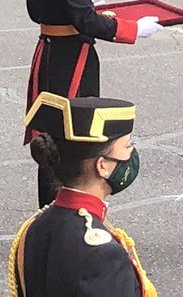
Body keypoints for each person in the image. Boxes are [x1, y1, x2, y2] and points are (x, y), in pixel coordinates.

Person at [25, 0, 162, 206]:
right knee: (74, 140)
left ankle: (52, 212)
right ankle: (67, 212)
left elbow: (43, 9)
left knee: (54, 135)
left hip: (49, 53)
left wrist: (86, 8)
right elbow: (84, 20)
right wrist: (131, 29)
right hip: (72, 58)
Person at [11, 94, 154, 296]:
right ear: (102, 165)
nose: (131, 153)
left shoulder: (36, 226)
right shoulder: (103, 254)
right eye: (127, 146)